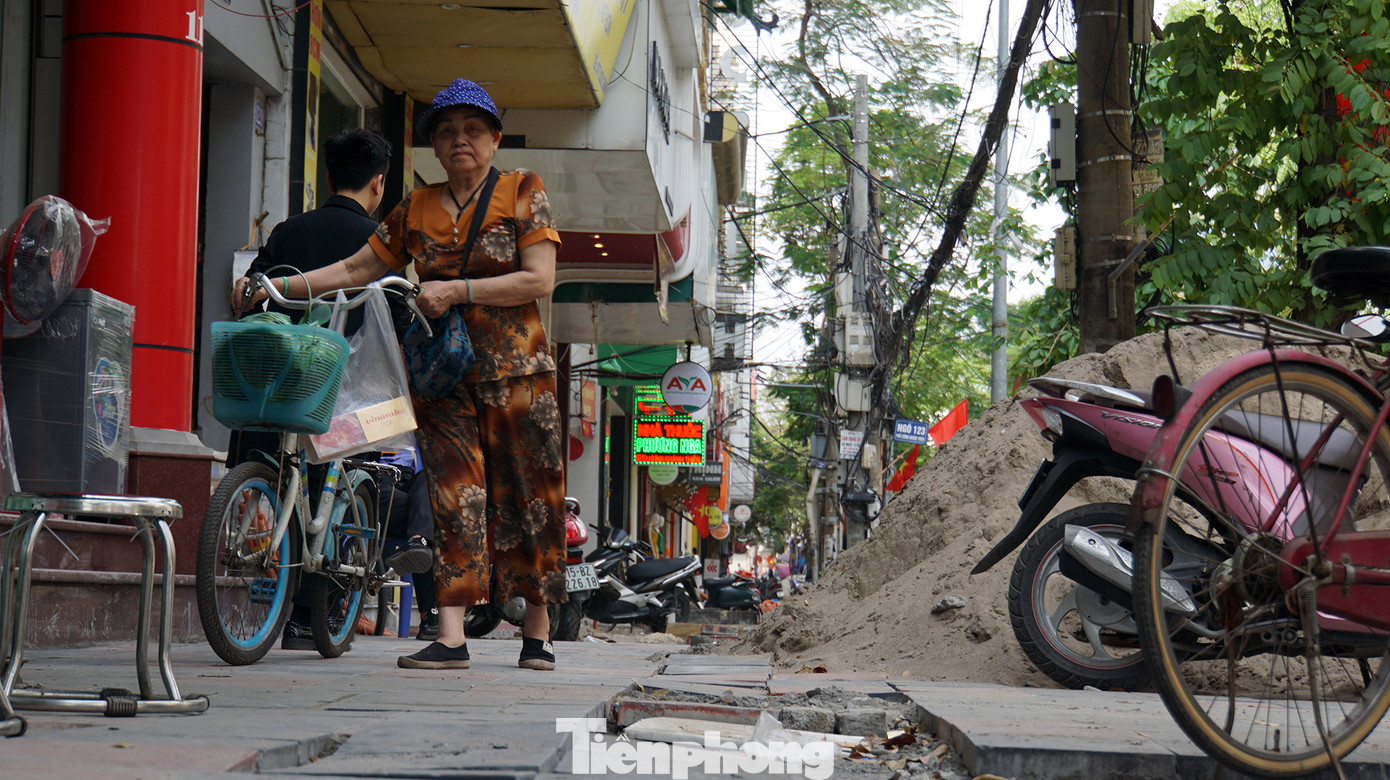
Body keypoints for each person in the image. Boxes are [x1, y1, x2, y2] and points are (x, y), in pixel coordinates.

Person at [231, 78, 566, 672]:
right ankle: (452, 636)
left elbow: (539, 278)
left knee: (529, 495)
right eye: (446, 131)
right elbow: (356, 268)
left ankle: (537, 630)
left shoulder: (522, 189)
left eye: (472, 129)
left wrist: (456, 290)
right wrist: (278, 284)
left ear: (494, 139)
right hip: (441, 373)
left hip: (518, 372)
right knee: (453, 495)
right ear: (433, 147)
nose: (459, 140)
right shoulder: (416, 206)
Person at [228, 127, 393, 651]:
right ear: (378, 183)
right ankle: (307, 618)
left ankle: (266, 589)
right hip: (343, 387)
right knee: (329, 489)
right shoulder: (381, 240)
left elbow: (249, 292)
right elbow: (394, 314)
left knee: (281, 479)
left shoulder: (288, 230)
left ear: (327, 176)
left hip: (277, 382)